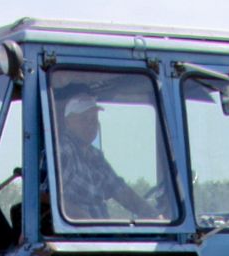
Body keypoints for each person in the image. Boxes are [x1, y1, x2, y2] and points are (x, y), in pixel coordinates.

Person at [54, 91, 160, 222]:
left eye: (93, 119)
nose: (90, 124)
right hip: (74, 236)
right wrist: (78, 215)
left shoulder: (95, 156)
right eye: (84, 119)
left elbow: (120, 190)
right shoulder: (64, 150)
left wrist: (154, 215)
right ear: (68, 122)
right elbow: (45, 196)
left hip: (100, 233)